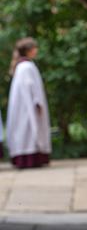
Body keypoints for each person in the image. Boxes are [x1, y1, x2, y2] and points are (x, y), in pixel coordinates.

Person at [6, 38, 51, 168]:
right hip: (28, 108)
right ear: (28, 50)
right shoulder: (26, 67)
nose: (36, 50)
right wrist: (37, 102)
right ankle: (31, 158)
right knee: (28, 132)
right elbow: (31, 88)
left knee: (25, 132)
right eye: (34, 48)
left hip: (23, 108)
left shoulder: (22, 66)